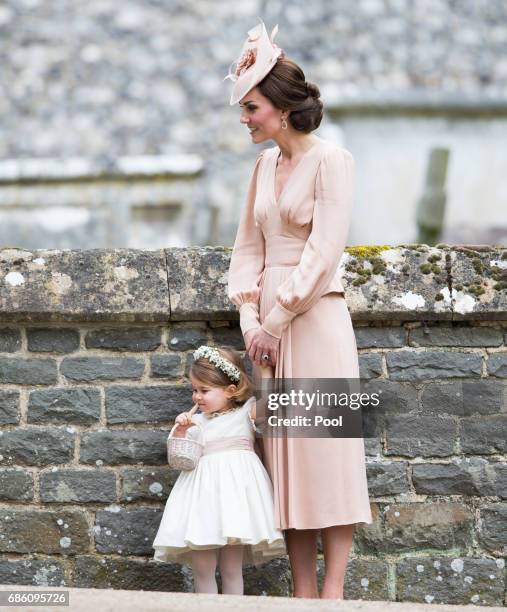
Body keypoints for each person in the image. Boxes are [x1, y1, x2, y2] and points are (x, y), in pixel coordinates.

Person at [225, 19, 373, 600]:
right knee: (283, 459)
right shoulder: (262, 169)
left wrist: (278, 320)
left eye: (251, 107)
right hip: (265, 326)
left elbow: (324, 251)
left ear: (281, 109)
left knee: (327, 457)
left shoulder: (333, 161)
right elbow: (246, 249)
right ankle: (302, 592)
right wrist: (250, 320)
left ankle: (332, 592)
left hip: (315, 322)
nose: (244, 118)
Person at [152, 344, 286, 595]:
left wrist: (265, 372)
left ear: (230, 390)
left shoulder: (246, 412)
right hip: (203, 501)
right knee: (203, 569)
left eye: (204, 390)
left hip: (236, 500)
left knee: (231, 569)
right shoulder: (196, 422)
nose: (196, 397)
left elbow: (271, 405)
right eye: (194, 390)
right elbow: (181, 460)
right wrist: (181, 431)